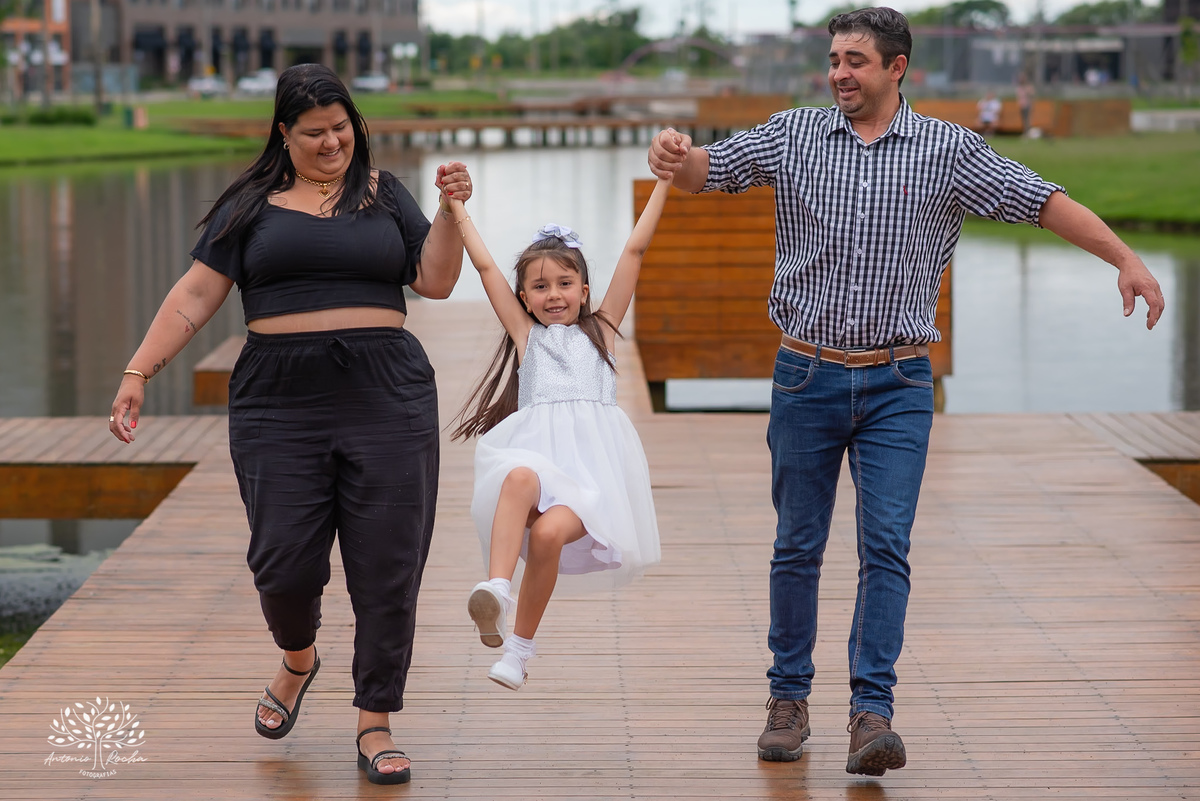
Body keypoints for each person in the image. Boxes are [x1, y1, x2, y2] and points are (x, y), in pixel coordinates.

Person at [647, 6, 1164, 778]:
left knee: (885, 546)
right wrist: (674, 154)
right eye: (833, 59)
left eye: (856, 60)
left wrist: (1125, 257)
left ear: (897, 68)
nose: (839, 73)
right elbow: (707, 173)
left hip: (898, 379)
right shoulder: (793, 134)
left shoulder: (949, 150)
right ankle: (787, 700)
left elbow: (1043, 200)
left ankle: (871, 714)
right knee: (798, 543)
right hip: (806, 371)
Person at [107, 64, 472, 786]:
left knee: (387, 566)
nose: (332, 142)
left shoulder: (385, 193)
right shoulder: (250, 204)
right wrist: (138, 370)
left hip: (386, 393)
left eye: (342, 128)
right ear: (284, 133)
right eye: (314, 133)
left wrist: (453, 214)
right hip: (279, 398)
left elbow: (434, 280)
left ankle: (376, 718)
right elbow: (195, 294)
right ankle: (299, 657)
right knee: (283, 560)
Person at [447, 178, 672, 690]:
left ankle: (519, 650)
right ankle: (498, 589)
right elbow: (485, 268)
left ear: (585, 290)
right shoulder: (526, 337)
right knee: (520, 476)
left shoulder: (604, 333)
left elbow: (635, 249)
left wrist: (664, 182)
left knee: (549, 533)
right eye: (540, 287)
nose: (554, 295)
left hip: (591, 484)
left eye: (565, 284)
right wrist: (456, 208)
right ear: (523, 298)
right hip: (540, 468)